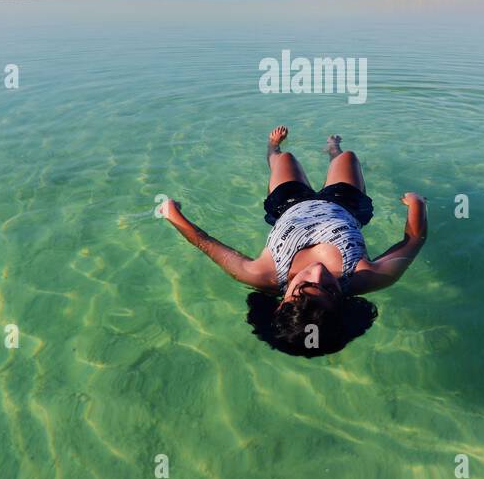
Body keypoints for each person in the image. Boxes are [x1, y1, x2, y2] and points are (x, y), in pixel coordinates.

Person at [161, 127, 427, 356]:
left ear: (282, 301)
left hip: (288, 204)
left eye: (304, 286)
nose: (318, 273)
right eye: (331, 289)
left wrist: (171, 214)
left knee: (285, 158)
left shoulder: (261, 274)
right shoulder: (366, 277)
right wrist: (416, 204)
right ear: (342, 304)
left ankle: (272, 147)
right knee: (348, 158)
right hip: (346, 205)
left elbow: (204, 242)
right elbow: (414, 240)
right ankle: (333, 149)